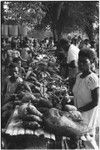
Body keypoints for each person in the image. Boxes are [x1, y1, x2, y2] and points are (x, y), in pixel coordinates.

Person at [72, 48, 99, 149]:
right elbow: (78, 94)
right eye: (79, 61)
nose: (81, 64)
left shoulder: (92, 79)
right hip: (79, 114)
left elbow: (95, 102)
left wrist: (79, 110)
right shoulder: (79, 76)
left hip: (88, 115)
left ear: (91, 62)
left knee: (89, 141)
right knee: (82, 140)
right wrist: (69, 98)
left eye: (84, 62)